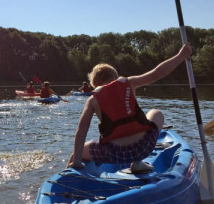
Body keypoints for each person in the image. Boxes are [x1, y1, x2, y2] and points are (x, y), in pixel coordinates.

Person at [67, 43, 192, 172]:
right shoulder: (129, 83)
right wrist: (181, 56)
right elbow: (158, 73)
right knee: (156, 113)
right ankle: (137, 163)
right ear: (115, 77)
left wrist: (76, 160)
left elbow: (81, 131)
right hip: (143, 147)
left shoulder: (92, 100)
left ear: (95, 85)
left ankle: (66, 177)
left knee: (77, 152)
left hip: (114, 153)